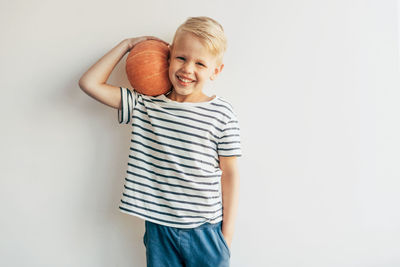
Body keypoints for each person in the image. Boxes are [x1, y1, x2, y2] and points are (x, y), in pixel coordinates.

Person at [78, 16, 241, 267]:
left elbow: (230, 175)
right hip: (159, 230)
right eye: (181, 58)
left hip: (205, 231)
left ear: (215, 71)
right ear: (169, 57)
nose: (188, 69)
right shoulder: (146, 105)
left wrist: (226, 237)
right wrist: (127, 44)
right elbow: (89, 83)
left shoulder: (222, 114)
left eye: (200, 63)